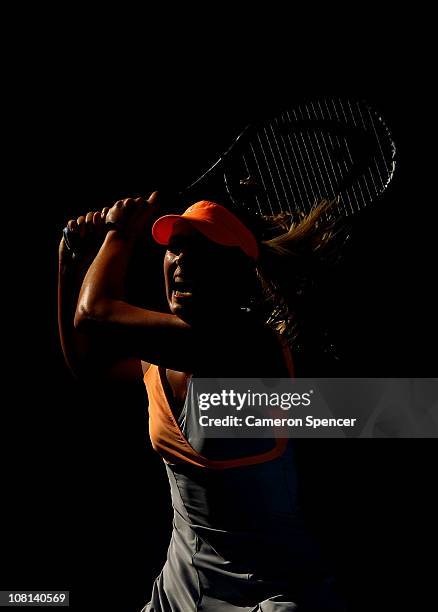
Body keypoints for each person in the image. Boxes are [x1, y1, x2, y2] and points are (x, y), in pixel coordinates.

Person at [58, 193, 348, 611]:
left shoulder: (247, 350)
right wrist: (68, 257)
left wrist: (119, 233)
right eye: (175, 247)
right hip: (181, 589)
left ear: (237, 275)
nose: (182, 261)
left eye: (203, 251)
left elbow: (92, 314)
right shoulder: (162, 354)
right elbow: (89, 364)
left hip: (269, 595)